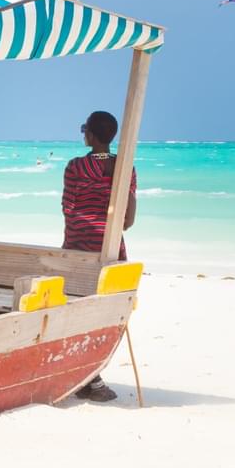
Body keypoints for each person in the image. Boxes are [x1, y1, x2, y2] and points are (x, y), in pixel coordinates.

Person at [60, 110, 137, 403]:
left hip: (78, 247)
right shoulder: (125, 167)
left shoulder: (75, 167)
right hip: (111, 247)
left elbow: (68, 210)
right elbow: (128, 219)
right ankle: (91, 377)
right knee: (104, 312)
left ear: (90, 136)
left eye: (85, 130)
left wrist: (85, 225)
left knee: (77, 310)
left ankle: (88, 377)